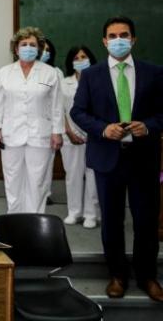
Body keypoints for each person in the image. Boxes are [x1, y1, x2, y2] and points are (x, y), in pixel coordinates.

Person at [71, 16, 163, 302]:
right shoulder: (91, 75)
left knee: (145, 220)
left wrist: (148, 126)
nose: (118, 40)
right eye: (112, 36)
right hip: (107, 158)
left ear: (133, 39)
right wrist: (102, 129)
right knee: (111, 221)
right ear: (104, 41)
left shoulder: (154, 73)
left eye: (124, 35)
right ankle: (117, 276)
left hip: (144, 158)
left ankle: (147, 276)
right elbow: (78, 111)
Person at [0, 27, 64, 214]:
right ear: (16, 49)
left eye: (33, 44)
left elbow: (56, 105)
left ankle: (35, 221)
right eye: (24, 44)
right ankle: (14, 220)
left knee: (37, 182)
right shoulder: (5, 72)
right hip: (11, 134)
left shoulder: (49, 73)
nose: (28, 48)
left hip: (40, 135)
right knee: (12, 180)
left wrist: (57, 132)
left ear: (39, 48)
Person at [60, 45, 100, 229]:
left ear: (90, 59)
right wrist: (68, 132)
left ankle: (91, 214)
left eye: (84, 57)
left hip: (94, 136)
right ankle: (74, 212)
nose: (80, 61)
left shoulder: (99, 80)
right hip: (70, 137)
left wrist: (95, 131)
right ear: (71, 62)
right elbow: (59, 110)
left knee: (93, 175)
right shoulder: (64, 83)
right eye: (76, 58)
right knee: (73, 175)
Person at [40, 38, 64, 206]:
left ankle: (45, 193)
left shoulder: (56, 72)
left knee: (47, 163)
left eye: (48, 50)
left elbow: (59, 102)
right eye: (42, 49)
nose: (45, 53)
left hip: (49, 125)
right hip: (29, 124)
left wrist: (58, 128)